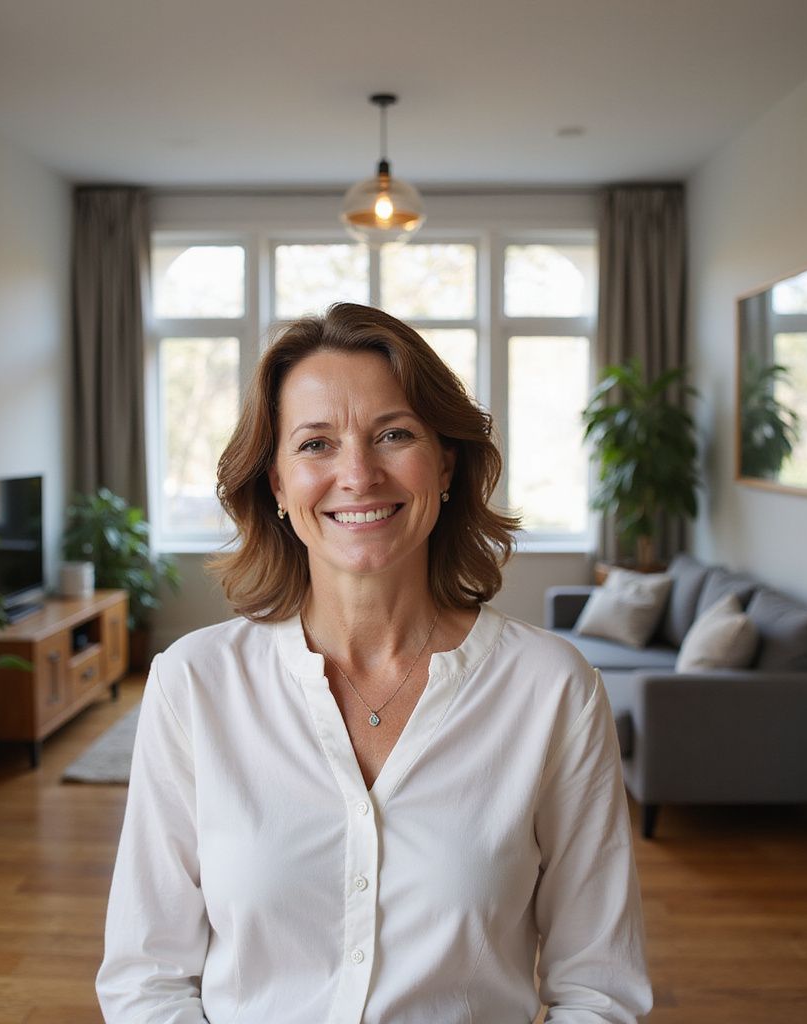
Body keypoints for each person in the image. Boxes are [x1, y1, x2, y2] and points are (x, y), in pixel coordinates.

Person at [96, 303, 653, 1023]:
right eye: (316, 444)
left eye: (394, 434)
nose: (358, 475)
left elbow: (599, 990)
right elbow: (147, 977)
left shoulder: (552, 690)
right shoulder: (193, 684)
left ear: (445, 462)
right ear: (276, 484)